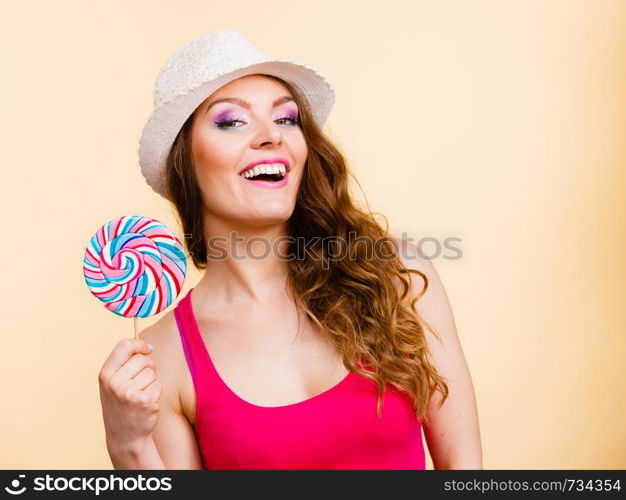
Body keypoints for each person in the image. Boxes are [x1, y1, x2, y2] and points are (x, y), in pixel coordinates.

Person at [98, 29, 482, 470]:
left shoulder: (395, 275)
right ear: (186, 161)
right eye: (231, 121)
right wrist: (129, 448)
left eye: (286, 119)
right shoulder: (161, 357)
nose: (271, 136)